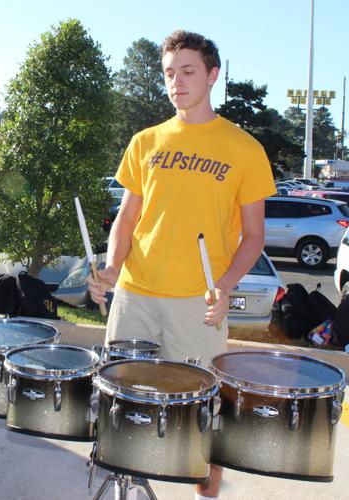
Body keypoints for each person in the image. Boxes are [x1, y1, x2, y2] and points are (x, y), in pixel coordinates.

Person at [87, 30, 275, 500]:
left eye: (187, 71)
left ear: (213, 75)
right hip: (136, 296)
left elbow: (254, 237)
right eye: (169, 73)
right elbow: (126, 220)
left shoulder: (244, 148)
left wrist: (227, 285)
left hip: (198, 302)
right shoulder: (146, 141)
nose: (177, 81)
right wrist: (111, 269)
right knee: (125, 409)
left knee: (200, 420)